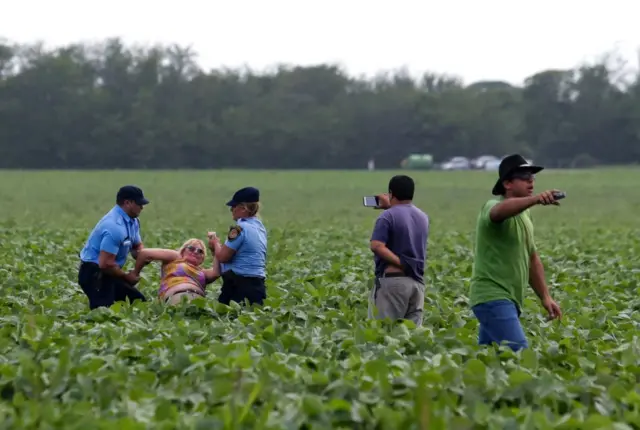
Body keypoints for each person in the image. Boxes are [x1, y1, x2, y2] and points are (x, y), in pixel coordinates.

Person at [469, 153, 563, 352]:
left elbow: (532, 258)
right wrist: (536, 199)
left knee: (489, 359)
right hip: (492, 296)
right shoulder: (492, 207)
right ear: (507, 184)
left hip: (510, 300)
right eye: (523, 176)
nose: (531, 180)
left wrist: (545, 297)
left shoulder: (525, 215)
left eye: (532, 176)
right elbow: (499, 212)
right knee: (518, 353)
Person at [367, 175, 430, 326]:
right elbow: (404, 216)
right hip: (417, 285)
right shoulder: (422, 216)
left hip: (393, 283)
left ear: (391, 193)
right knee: (411, 339)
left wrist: (401, 263)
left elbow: (376, 245)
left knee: (383, 334)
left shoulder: (387, 216)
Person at [77, 185, 149, 310]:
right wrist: (127, 276)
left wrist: (144, 257)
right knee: (104, 312)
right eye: (139, 204)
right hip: (95, 274)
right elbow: (105, 264)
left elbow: (137, 246)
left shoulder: (133, 221)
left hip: (110, 272)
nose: (142, 207)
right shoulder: (114, 226)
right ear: (127, 203)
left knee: (138, 302)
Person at [208, 186, 268, 306]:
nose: (231, 209)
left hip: (238, 285)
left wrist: (215, 243)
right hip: (257, 286)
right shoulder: (260, 227)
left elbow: (223, 257)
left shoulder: (239, 229)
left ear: (243, 208)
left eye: (234, 206)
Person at [132, 237, 222, 305]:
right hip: (175, 297)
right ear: (182, 251)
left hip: (199, 301)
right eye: (191, 248)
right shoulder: (175, 257)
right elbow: (145, 254)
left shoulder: (203, 272)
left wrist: (215, 247)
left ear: (202, 259)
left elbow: (216, 273)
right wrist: (135, 274)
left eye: (200, 251)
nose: (195, 252)